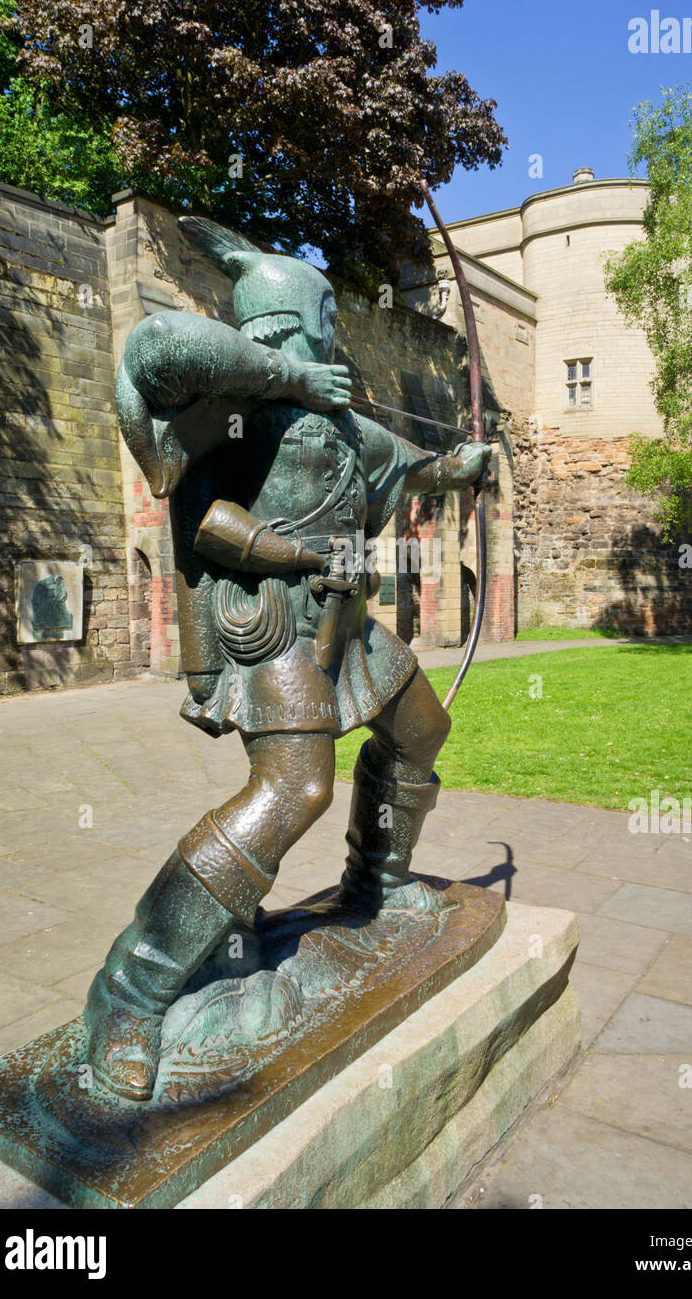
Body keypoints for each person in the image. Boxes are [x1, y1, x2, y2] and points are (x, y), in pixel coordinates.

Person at [85, 217, 490, 1100]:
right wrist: (286, 383)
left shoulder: (343, 426)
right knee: (294, 789)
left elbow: (415, 466)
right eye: (321, 317)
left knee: (420, 729)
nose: (334, 335)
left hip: (343, 629)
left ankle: (371, 884)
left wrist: (465, 467)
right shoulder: (226, 409)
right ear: (288, 325)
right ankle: (130, 993)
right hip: (268, 624)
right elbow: (158, 352)